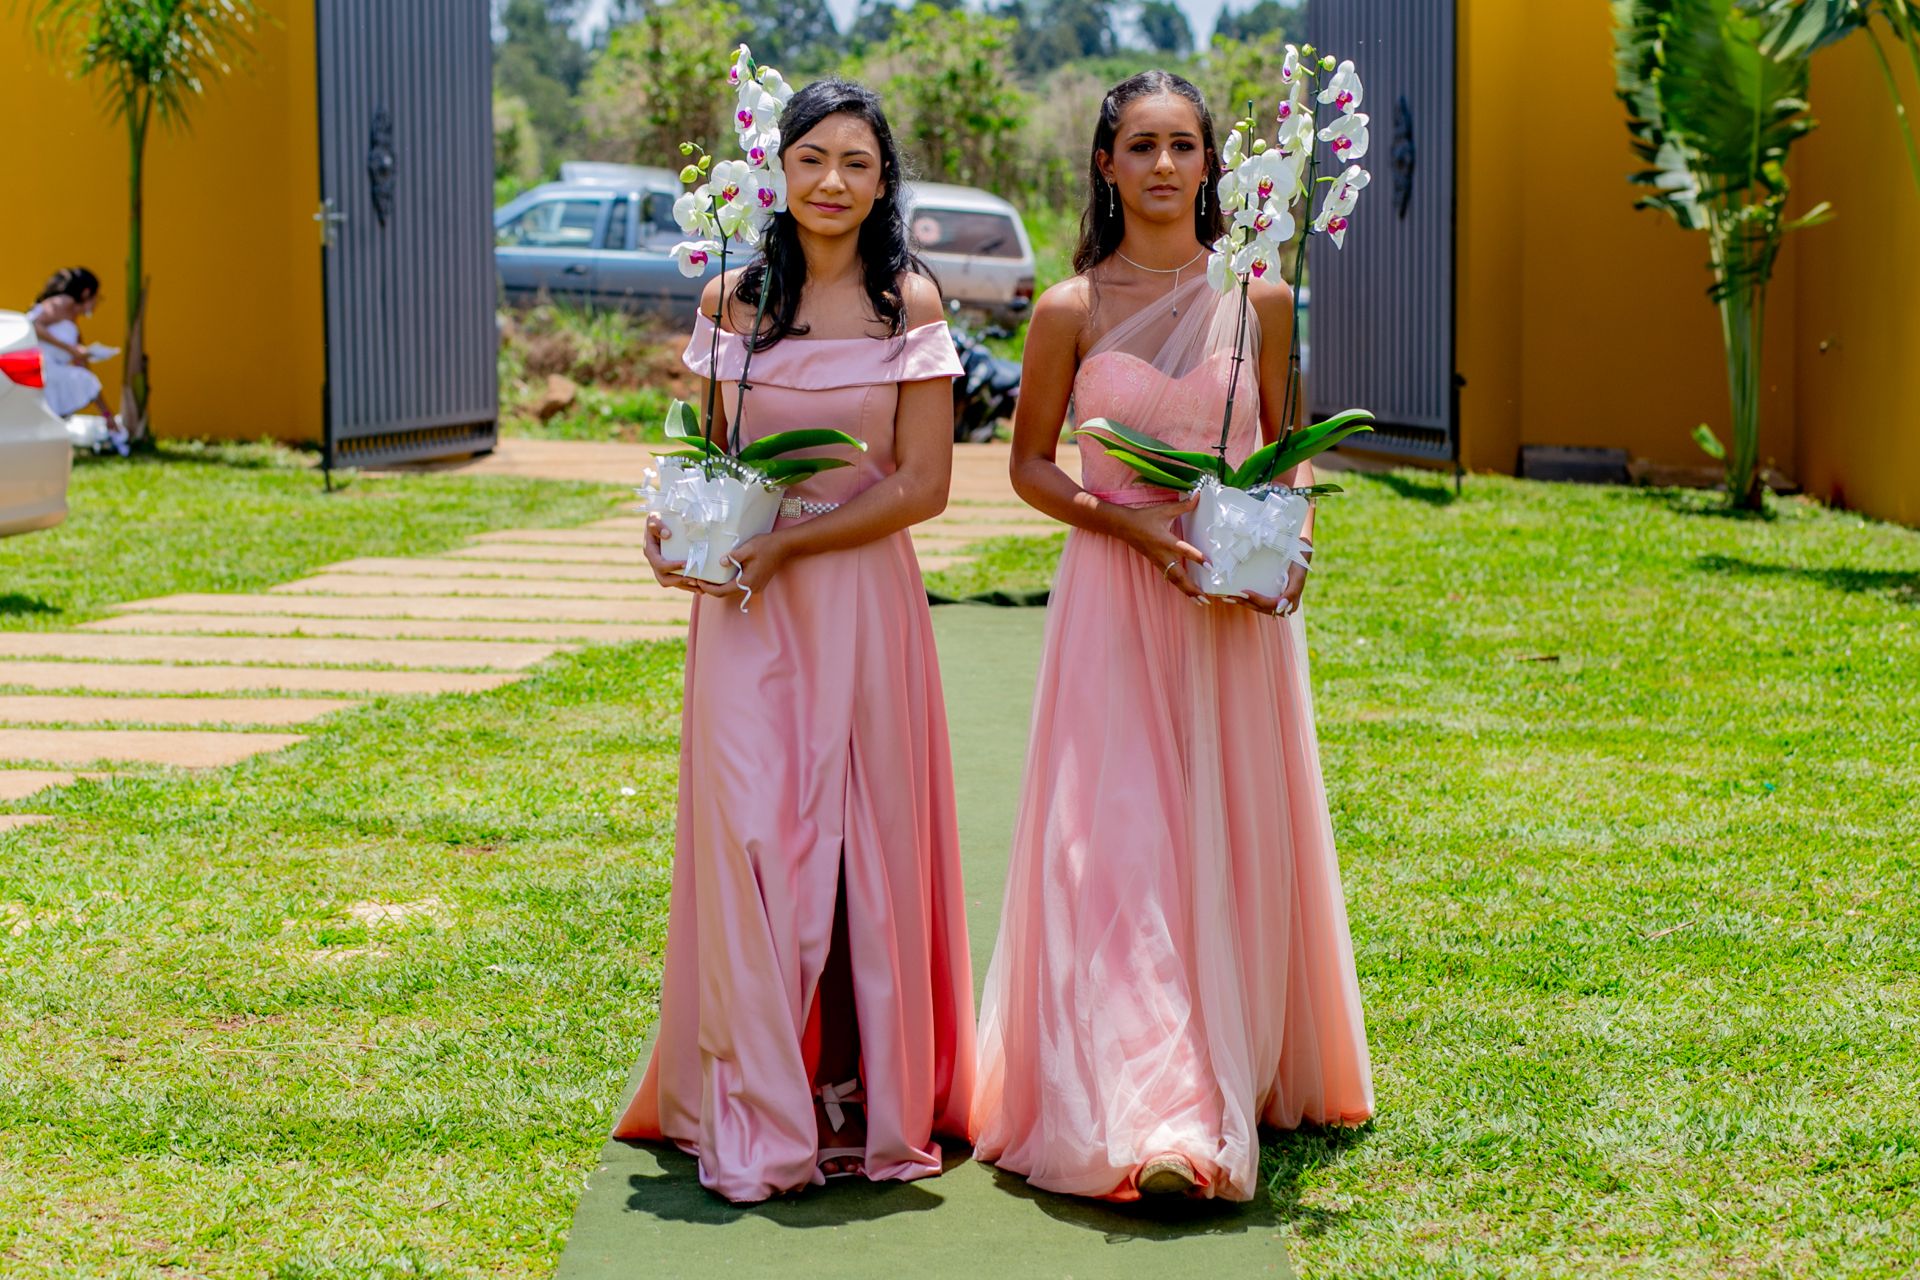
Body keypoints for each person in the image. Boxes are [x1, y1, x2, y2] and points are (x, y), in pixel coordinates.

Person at [970, 70, 1375, 1202]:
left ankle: (1234, 1059)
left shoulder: (1262, 296)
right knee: (1123, 846)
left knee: (1226, 831)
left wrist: (1283, 546)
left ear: (1211, 163)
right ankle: (1150, 1109)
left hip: (1228, 614)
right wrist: (1136, 533)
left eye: (1182, 144)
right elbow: (1029, 466)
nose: (1161, 165)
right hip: (1116, 593)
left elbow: (1285, 445)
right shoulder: (1070, 308)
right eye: (1139, 144)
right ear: (1104, 163)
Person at [616, 78, 975, 1204]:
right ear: (777, 170)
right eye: (813, 157)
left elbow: (924, 486)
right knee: (750, 831)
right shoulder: (730, 301)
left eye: (857, 163)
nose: (832, 182)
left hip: (860, 598)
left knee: (861, 840)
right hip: (744, 607)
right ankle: (752, 1092)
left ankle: (852, 1087)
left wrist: (795, 544)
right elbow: (706, 458)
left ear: (884, 181)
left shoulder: (908, 304)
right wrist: (673, 528)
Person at [27, 267, 127, 454]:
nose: (97, 304)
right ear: (86, 293)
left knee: (82, 382)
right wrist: (70, 349)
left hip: (53, 371)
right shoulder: (63, 302)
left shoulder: (73, 318)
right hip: (39, 367)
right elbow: (32, 324)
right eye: (97, 298)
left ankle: (111, 427)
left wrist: (107, 413)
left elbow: (83, 368)